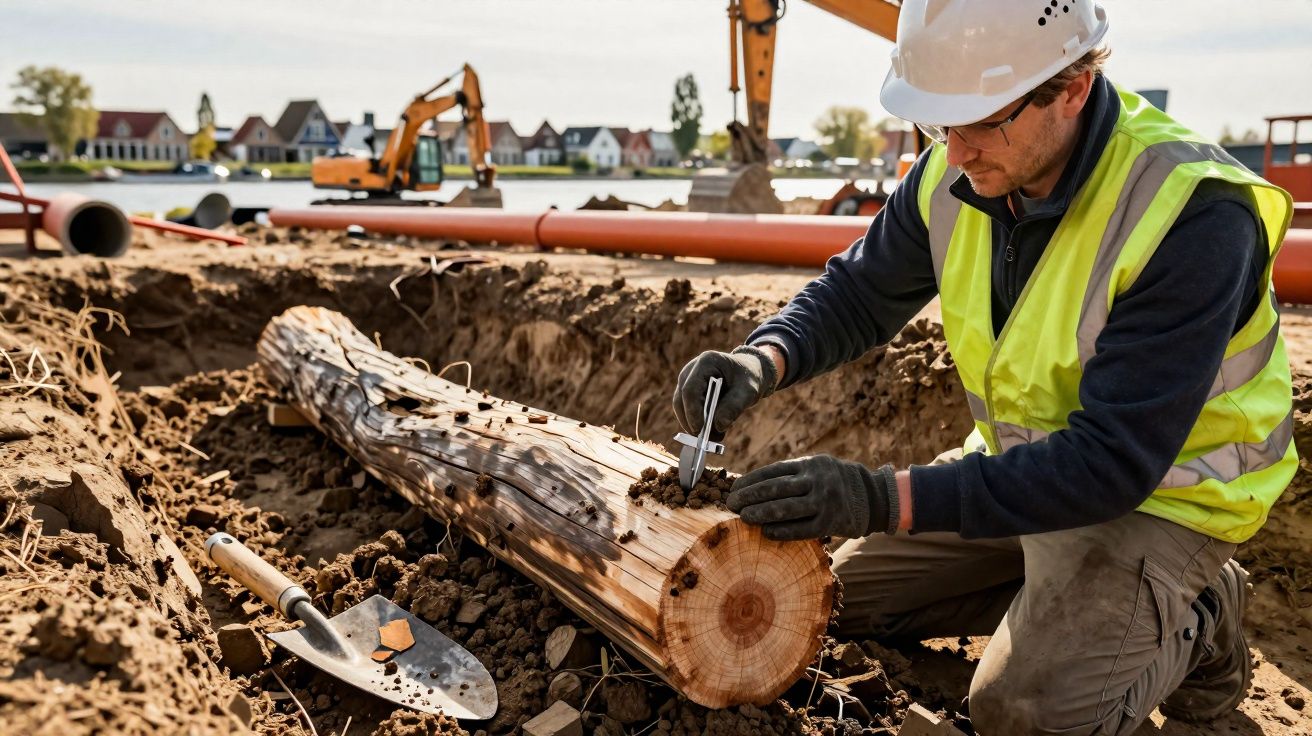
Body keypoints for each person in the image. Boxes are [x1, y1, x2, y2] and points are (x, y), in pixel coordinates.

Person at [671, 1, 1297, 733]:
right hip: (1022, 472)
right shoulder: (958, 167)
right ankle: (1068, 608)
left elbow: (1110, 465)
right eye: (941, 124)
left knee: (1024, 712)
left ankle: (1201, 612)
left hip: (1162, 498)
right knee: (835, 599)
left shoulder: (1192, 212)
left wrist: (876, 497)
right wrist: (761, 357)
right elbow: (859, 293)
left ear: (1071, 87)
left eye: (979, 123)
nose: (956, 152)